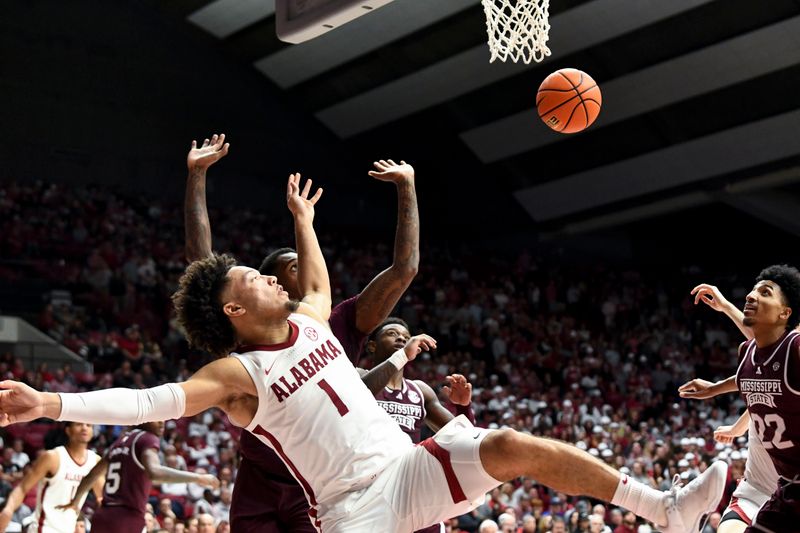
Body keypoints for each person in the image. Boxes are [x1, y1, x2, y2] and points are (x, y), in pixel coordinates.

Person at [0, 175, 726, 532]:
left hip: (410, 466)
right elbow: (152, 401)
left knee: (505, 442)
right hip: (351, 509)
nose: (264, 273)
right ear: (232, 310)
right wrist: (50, 401)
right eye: (251, 276)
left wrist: (305, 219)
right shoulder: (238, 373)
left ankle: (658, 506)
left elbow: (314, 278)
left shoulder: (313, 318)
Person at [184, 135, 420, 533]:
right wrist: (196, 176)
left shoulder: (341, 319)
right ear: (268, 282)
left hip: (322, 484)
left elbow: (404, 270)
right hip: (259, 478)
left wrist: (408, 186)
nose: (303, 261)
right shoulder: (245, 329)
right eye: (291, 265)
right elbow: (201, 265)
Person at [682, 268, 800, 532]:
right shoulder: (749, 354)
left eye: (765, 292)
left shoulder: (795, 347)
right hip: (787, 487)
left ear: (786, 313)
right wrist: (714, 389)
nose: (751, 295)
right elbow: (750, 377)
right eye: (754, 289)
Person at [365, 317, 475, 533]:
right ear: (372, 346)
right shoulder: (358, 377)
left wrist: (463, 407)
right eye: (392, 334)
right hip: (369, 485)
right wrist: (401, 355)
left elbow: (464, 438)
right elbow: (358, 393)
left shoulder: (419, 390)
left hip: (410, 485)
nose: (401, 339)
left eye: (406, 337)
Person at [57, 421, 219, 533]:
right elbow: (154, 473)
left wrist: (75, 501)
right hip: (126, 518)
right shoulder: (147, 439)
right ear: (145, 418)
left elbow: (91, 475)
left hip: (103, 517)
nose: (162, 422)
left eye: (163, 418)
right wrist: (197, 477)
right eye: (157, 418)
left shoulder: (120, 441)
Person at [0, 423, 101, 533]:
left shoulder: (95, 461)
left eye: (89, 425)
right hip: (43, 528)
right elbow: (22, 488)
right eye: (78, 424)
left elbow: (102, 498)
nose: (84, 428)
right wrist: (9, 509)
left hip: (69, 529)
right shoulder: (53, 457)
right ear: (68, 430)